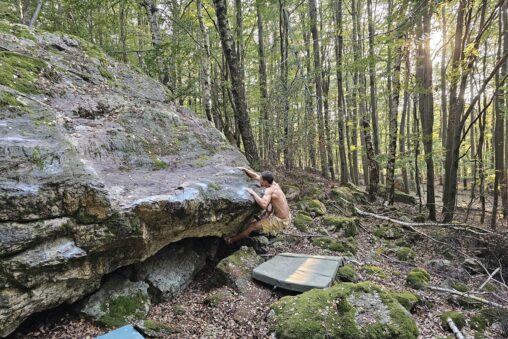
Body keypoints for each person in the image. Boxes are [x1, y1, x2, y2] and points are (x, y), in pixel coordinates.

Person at [226, 168, 291, 243]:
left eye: (261, 180)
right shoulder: (274, 184)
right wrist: (245, 169)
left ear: (265, 181)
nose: (259, 180)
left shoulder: (269, 190)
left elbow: (263, 204)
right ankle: (262, 220)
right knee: (269, 208)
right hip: (287, 215)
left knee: (252, 226)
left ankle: (231, 240)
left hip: (281, 221)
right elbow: (255, 176)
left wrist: (253, 192)